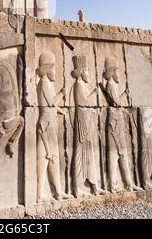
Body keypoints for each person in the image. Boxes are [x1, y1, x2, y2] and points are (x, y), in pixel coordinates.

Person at [36, 51, 72, 201]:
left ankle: (58, 191)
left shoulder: (47, 83)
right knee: (44, 160)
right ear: (46, 69)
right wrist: (62, 93)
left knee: (54, 160)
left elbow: (52, 106)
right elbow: (51, 103)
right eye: (53, 68)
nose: (54, 71)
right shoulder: (43, 83)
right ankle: (39, 194)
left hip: (50, 125)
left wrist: (59, 110)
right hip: (45, 126)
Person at [102, 57, 141, 193]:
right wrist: (125, 94)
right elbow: (116, 103)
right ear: (112, 71)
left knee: (122, 154)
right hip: (114, 122)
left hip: (117, 119)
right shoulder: (111, 85)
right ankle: (113, 185)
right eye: (117, 70)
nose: (118, 73)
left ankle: (129, 183)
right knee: (114, 154)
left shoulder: (113, 84)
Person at [71, 55, 105, 197]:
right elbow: (83, 102)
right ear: (81, 71)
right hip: (83, 124)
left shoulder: (83, 84)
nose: (88, 73)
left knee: (90, 155)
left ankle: (94, 185)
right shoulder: (78, 85)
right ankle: (77, 188)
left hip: (87, 121)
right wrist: (94, 93)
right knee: (80, 156)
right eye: (87, 70)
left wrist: (93, 111)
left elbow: (87, 105)